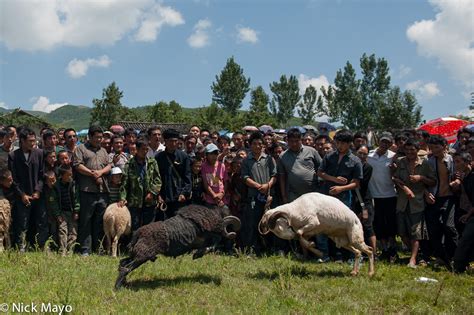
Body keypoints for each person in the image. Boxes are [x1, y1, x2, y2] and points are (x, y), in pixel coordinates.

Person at [392, 138, 436, 268]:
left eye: (412, 150)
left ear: (417, 150)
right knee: (401, 232)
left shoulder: (425, 164)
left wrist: (421, 178)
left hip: (417, 202)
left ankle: (413, 259)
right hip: (402, 201)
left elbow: (433, 181)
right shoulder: (401, 162)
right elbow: (395, 178)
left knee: (416, 233)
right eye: (407, 150)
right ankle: (418, 253)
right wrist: (405, 188)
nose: (410, 152)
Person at [73, 125, 111, 256]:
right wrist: (92, 173)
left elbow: (109, 165)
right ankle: (85, 249)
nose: (99, 140)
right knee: (86, 221)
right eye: (97, 137)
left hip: (102, 192)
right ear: (89, 136)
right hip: (87, 190)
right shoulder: (81, 149)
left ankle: (98, 247)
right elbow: (77, 165)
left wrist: (100, 172)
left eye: (101, 137)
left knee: (100, 221)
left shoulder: (104, 151)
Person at [9, 127, 46, 251]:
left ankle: (40, 247)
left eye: (34, 140)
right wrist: (22, 194)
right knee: (22, 223)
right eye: (30, 141)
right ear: (22, 140)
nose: (33, 143)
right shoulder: (13, 155)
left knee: (41, 222)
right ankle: (21, 247)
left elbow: (42, 175)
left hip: (37, 196)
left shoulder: (39, 153)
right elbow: (13, 178)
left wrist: (38, 190)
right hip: (21, 197)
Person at [241, 131, 277, 254]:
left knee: (269, 223)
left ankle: (269, 249)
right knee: (253, 223)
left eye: (260, 144)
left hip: (267, 197)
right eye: (255, 143)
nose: (258, 146)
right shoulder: (246, 160)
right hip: (253, 197)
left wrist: (268, 185)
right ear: (250, 145)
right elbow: (245, 177)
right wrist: (257, 186)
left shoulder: (269, 159)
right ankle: (252, 249)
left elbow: (274, 175)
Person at [425, 135, 458, 265]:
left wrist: (457, 181)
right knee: (433, 229)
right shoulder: (429, 162)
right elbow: (424, 181)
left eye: (437, 147)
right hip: (434, 198)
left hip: (449, 197)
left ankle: (457, 256)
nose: (434, 150)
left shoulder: (452, 160)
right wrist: (426, 194)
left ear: (444, 146)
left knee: (449, 226)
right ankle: (441, 257)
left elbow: (459, 175)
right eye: (432, 147)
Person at [367, 132, 398, 261]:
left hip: (390, 194)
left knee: (390, 224)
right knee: (378, 224)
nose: (385, 144)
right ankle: (384, 248)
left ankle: (392, 249)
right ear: (378, 141)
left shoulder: (393, 157)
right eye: (383, 141)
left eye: (388, 142)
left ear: (391, 144)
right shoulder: (369, 156)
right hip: (375, 195)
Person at [119, 138, 162, 232]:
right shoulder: (129, 164)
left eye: (147, 149)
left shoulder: (152, 162)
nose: (145, 151)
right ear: (137, 150)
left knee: (149, 228)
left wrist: (152, 193)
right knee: (135, 227)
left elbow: (158, 180)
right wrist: (123, 198)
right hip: (134, 202)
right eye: (143, 149)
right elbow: (124, 184)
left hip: (149, 201)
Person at [318, 129, 362, 207]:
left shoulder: (356, 161)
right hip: (325, 194)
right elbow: (320, 173)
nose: (339, 146)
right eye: (337, 143)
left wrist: (341, 188)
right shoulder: (329, 156)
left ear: (349, 143)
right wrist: (334, 179)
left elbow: (356, 183)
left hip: (344, 197)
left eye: (342, 143)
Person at [278, 128, 322, 204]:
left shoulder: (311, 151)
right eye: (291, 141)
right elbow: (282, 177)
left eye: (296, 141)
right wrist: (283, 196)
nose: (294, 144)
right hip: (293, 195)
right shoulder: (282, 156)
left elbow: (321, 168)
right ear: (287, 141)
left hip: (312, 193)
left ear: (301, 140)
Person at [155, 129, 192, 219]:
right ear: (165, 141)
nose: (173, 143)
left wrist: (184, 193)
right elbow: (155, 178)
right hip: (163, 198)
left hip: (179, 198)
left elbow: (187, 178)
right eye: (171, 141)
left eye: (175, 141)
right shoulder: (159, 157)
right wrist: (158, 195)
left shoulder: (183, 156)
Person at [47, 165, 79, 256]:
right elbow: (54, 202)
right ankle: (62, 250)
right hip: (62, 213)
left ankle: (70, 250)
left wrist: (76, 211)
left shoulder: (73, 185)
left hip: (72, 212)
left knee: (73, 231)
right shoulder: (56, 187)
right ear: (62, 175)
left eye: (71, 175)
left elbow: (77, 198)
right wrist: (57, 215)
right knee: (62, 231)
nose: (70, 177)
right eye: (68, 175)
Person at [353, 145, 376, 253]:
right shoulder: (351, 165)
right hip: (353, 200)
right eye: (360, 153)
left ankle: (374, 252)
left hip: (364, 202)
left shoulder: (368, 167)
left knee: (367, 226)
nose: (362, 156)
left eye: (364, 154)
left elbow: (360, 184)